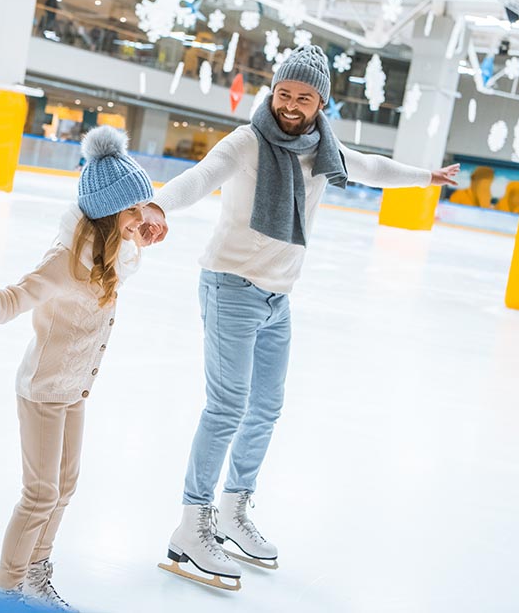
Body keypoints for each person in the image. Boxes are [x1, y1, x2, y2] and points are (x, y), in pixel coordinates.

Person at [140, 45, 460, 590]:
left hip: (277, 298)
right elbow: (202, 175)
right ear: (274, 93)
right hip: (231, 287)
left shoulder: (322, 149)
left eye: (303, 97)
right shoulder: (247, 142)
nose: (290, 105)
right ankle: (192, 525)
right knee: (227, 408)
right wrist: (157, 205)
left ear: (320, 103)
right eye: (284, 94)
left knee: (264, 408)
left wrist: (426, 176)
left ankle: (235, 510)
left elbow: (373, 168)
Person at [0, 126, 153, 611]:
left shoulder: (112, 254)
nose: (141, 218)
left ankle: (36, 574)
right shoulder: (64, 259)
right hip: (42, 391)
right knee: (40, 493)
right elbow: (11, 301)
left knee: (65, 487)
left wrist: (143, 223)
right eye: (132, 209)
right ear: (106, 211)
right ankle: (7, 590)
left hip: (75, 390)